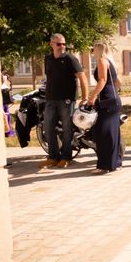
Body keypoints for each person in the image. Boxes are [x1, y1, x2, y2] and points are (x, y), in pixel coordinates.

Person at [40, 33, 88, 168]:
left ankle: (66, 157)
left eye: (63, 44)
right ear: (51, 44)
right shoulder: (48, 59)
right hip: (50, 99)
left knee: (67, 129)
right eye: (58, 44)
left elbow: (83, 77)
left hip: (67, 100)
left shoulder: (70, 58)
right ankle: (53, 157)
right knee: (48, 128)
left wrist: (84, 98)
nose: (62, 46)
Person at [86, 42, 122, 174]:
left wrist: (92, 96)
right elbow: (119, 82)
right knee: (113, 133)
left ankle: (105, 165)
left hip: (106, 101)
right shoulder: (111, 62)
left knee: (101, 133)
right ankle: (116, 163)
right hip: (114, 100)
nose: (92, 51)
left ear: (99, 49)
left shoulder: (102, 60)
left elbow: (102, 79)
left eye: (93, 48)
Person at [1, 68, 15, 137]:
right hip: (5, 99)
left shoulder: (2, 77)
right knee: (6, 115)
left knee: (5, 115)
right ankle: (8, 131)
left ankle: (7, 131)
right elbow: (10, 87)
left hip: (3, 99)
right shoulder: (6, 77)